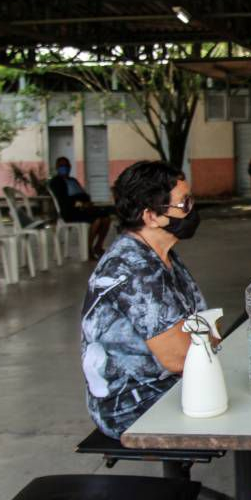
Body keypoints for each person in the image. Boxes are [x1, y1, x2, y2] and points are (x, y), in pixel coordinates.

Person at [81, 160, 206, 440]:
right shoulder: (133, 267)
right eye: (183, 204)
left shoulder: (161, 254)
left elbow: (203, 325)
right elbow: (181, 356)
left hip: (169, 384)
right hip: (133, 407)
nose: (191, 210)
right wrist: (206, 339)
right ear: (151, 216)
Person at [48, 156, 112, 259]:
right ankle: (88, 250)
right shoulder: (56, 182)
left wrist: (86, 202)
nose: (64, 168)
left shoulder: (73, 180)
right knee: (97, 220)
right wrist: (79, 202)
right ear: (57, 167)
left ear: (70, 167)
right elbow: (63, 199)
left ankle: (98, 246)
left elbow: (84, 195)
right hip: (69, 211)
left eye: (66, 165)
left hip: (82, 208)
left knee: (106, 218)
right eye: (61, 166)